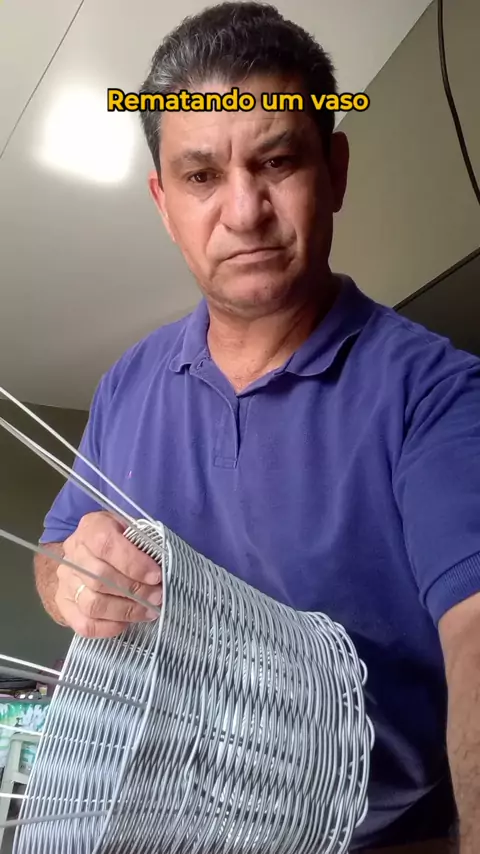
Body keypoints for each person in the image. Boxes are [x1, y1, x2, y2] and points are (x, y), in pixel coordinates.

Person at [34, 3, 480, 852]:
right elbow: (56, 553)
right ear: (164, 203)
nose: (244, 211)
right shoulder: (127, 384)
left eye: (276, 161)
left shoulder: (436, 392)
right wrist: (71, 581)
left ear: (334, 170)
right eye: (201, 176)